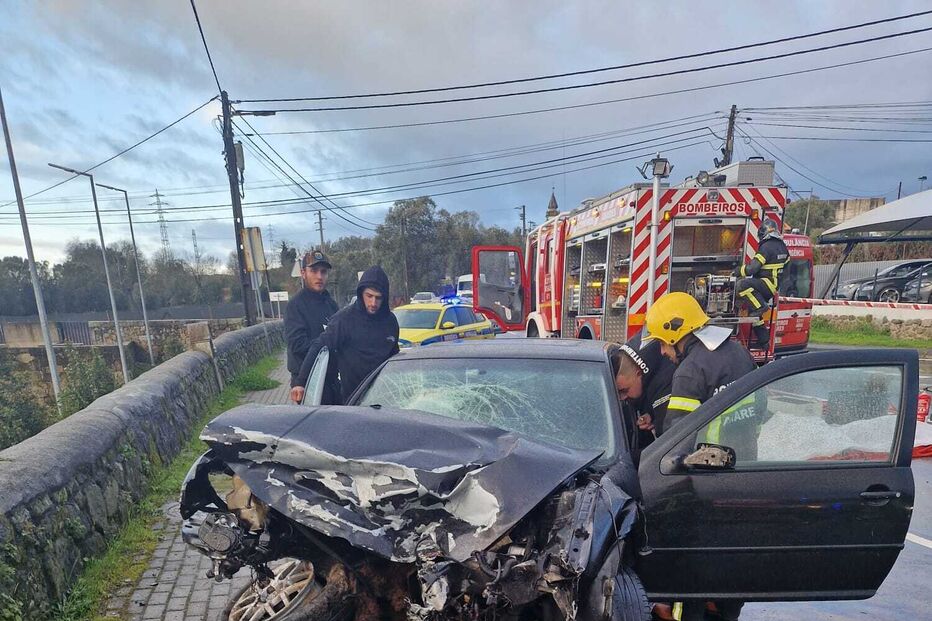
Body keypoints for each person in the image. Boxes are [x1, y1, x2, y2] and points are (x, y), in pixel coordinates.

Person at [642, 292, 758, 621]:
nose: (664, 352)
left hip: (703, 489)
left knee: (689, 579)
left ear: (678, 334)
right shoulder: (738, 354)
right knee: (729, 573)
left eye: (665, 343)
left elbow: (674, 443)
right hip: (745, 478)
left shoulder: (690, 373)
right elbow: (759, 409)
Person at [290, 266, 400, 405]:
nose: (373, 303)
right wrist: (301, 382)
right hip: (354, 400)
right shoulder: (344, 319)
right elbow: (319, 346)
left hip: (385, 398)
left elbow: (394, 357)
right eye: (369, 296)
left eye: (378, 298)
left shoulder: (391, 322)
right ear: (361, 293)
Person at [285, 249, 340, 403]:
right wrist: (325, 346)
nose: (319, 276)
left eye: (323, 272)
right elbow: (298, 345)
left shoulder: (331, 304)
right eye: (314, 271)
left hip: (332, 380)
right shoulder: (295, 306)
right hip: (308, 382)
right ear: (303, 273)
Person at [610, 333, 674, 457]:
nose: (622, 398)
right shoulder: (641, 357)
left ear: (639, 374)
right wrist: (651, 414)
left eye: (624, 390)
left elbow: (667, 450)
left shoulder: (665, 382)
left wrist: (658, 417)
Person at [733, 218, 789, 347]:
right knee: (755, 316)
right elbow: (786, 269)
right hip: (773, 286)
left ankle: (760, 306)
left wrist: (737, 271)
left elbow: (753, 268)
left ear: (763, 233)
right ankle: (764, 341)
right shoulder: (782, 247)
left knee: (742, 285)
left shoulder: (766, 247)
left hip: (766, 283)